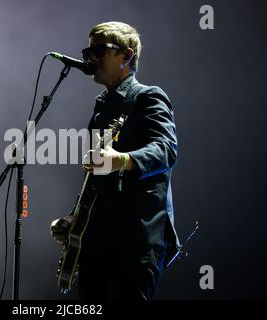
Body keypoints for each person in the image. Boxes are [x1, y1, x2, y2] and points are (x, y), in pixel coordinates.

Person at [50, 21, 180, 300]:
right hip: (97, 242)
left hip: (134, 241)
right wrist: (75, 218)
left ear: (127, 55)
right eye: (88, 51)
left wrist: (121, 159)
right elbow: (94, 179)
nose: (90, 58)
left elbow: (166, 149)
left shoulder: (148, 97)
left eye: (99, 50)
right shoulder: (101, 108)